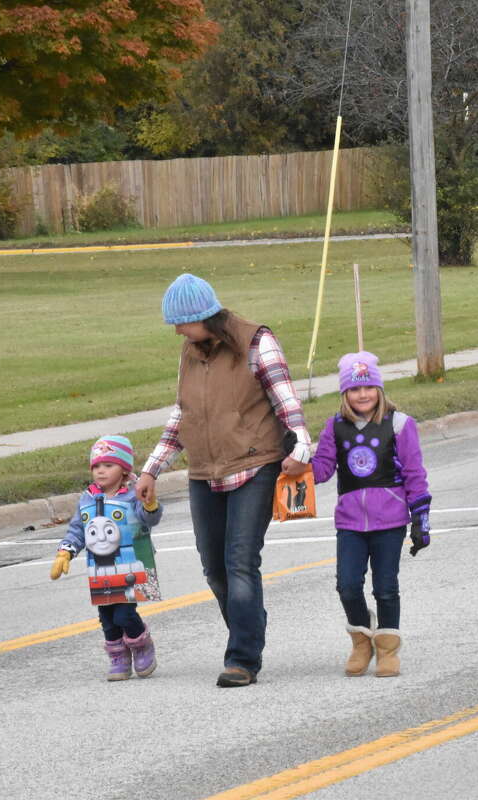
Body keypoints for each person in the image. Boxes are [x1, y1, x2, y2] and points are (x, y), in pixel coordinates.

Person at [135, 273, 312, 687]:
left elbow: (285, 400)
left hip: (255, 465)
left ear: (205, 317)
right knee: (214, 568)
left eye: (182, 322)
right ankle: (249, 624)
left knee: (240, 561)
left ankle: (242, 659)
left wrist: (301, 448)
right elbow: (184, 413)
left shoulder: (256, 342)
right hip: (204, 471)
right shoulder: (191, 351)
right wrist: (151, 468)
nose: (177, 331)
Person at [310, 351, 431, 677]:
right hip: (350, 521)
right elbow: (320, 470)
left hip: (390, 520)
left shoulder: (400, 424)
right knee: (347, 586)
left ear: (378, 389)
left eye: (368, 388)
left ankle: (388, 647)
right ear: (344, 393)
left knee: (386, 587)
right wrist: (293, 459)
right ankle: (362, 639)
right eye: (354, 389)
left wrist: (420, 519)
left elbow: (414, 474)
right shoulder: (334, 427)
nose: (362, 395)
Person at [51, 435, 163, 680]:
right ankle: (118, 657)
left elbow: (149, 520)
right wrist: (65, 551)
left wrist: (150, 505)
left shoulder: (133, 494)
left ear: (124, 469)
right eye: (96, 466)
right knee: (107, 618)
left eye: (108, 465)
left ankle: (141, 644)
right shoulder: (88, 497)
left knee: (124, 614)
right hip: (100, 567)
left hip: (129, 562)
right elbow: (78, 528)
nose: (100, 471)